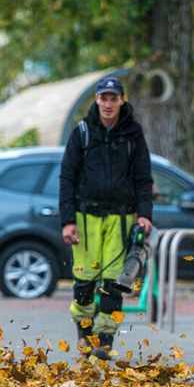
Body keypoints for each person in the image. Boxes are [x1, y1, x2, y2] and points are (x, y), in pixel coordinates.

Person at [59, 75, 154, 360]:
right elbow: (66, 178)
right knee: (85, 282)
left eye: (114, 98)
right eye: (104, 98)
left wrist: (145, 215)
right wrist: (67, 220)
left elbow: (143, 178)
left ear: (122, 100)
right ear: (97, 100)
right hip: (86, 219)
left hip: (120, 219)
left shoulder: (133, 134)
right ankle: (85, 336)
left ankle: (105, 341)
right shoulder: (83, 132)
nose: (109, 103)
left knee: (115, 282)